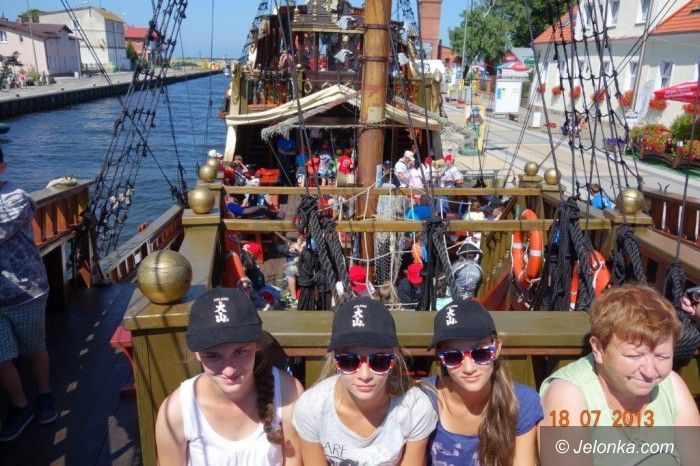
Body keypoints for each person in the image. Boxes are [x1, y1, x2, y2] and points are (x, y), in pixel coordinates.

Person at [155, 287, 304, 464]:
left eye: (240, 352)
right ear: (197, 354)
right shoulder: (176, 411)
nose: (229, 370)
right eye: (213, 356)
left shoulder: (288, 393)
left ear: (256, 345)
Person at [292, 297, 438, 465]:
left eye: (379, 361)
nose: (365, 375)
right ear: (335, 361)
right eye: (349, 361)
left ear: (394, 360)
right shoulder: (311, 407)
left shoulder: (415, 407)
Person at [540, 284, 700, 427]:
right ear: (598, 349)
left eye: (662, 356)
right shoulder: (567, 395)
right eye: (634, 356)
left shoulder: (671, 386)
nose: (650, 372)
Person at [426, 299, 543, 466]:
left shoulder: (522, 403)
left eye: (480, 354)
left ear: (497, 348)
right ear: (440, 359)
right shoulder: (422, 399)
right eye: (453, 356)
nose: (469, 368)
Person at [0, 148, 57, 442]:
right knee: (1, 356)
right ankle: (20, 406)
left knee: (34, 348)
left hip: (24, 290)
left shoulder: (16, 199)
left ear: (2, 167)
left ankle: (44, 394)